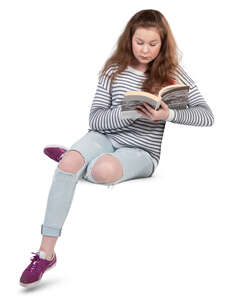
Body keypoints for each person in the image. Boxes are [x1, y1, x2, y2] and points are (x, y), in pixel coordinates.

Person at [19, 9, 214, 288]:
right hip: (103, 136)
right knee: (67, 166)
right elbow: (95, 119)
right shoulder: (114, 69)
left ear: (163, 43)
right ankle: (45, 253)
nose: (145, 50)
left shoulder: (172, 72)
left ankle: (76, 159)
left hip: (142, 151)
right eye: (139, 42)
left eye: (153, 44)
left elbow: (206, 116)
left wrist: (168, 115)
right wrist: (128, 112)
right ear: (129, 39)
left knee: (102, 170)